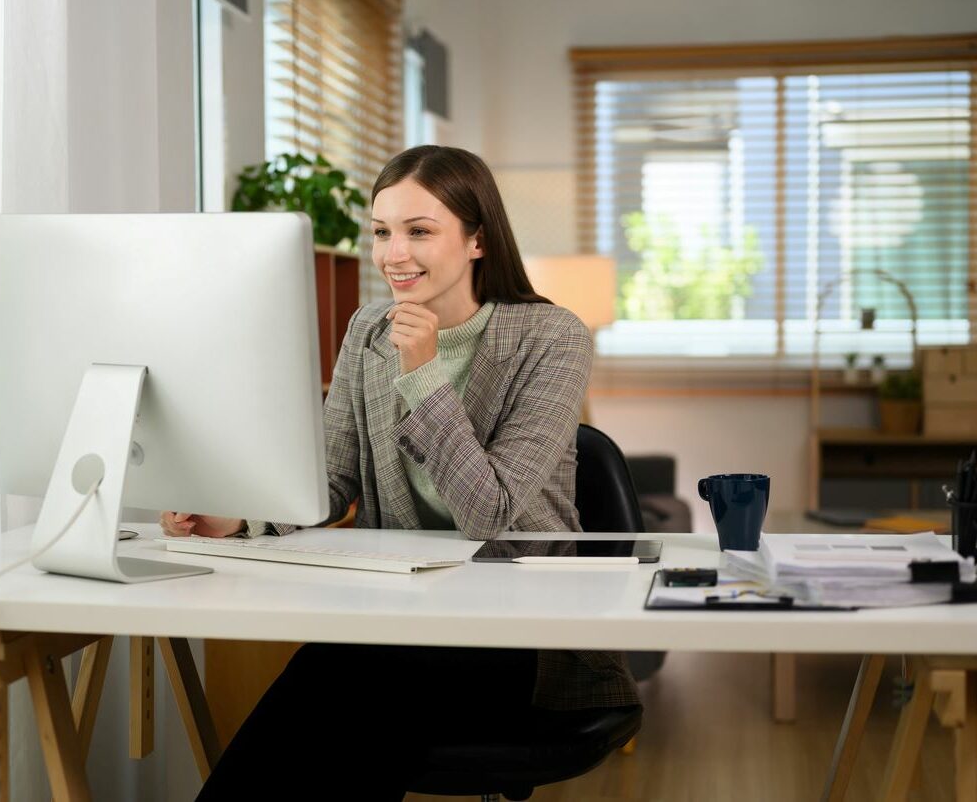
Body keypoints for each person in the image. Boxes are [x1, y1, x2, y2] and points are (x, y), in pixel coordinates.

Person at [162, 145, 639, 800]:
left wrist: (422, 372)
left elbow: (488, 515)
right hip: (403, 621)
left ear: (476, 239)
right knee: (345, 695)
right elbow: (332, 483)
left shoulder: (551, 338)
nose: (394, 253)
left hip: (523, 637)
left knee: (342, 692)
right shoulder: (366, 331)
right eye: (382, 232)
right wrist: (238, 517)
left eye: (420, 231)